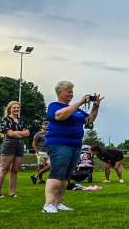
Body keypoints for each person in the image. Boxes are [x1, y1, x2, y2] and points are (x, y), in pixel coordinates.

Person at [42, 82, 103, 212]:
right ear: (59, 92)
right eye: (68, 92)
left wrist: (95, 107)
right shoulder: (54, 106)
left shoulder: (77, 110)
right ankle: (48, 204)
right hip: (59, 143)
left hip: (75, 145)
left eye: (72, 92)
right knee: (57, 173)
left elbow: (89, 120)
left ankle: (58, 203)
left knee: (65, 176)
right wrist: (80, 103)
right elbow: (60, 115)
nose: (71, 94)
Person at [0, 101, 30, 199]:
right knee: (3, 169)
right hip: (9, 144)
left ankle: (12, 193)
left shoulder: (21, 121)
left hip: (19, 145)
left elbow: (28, 133)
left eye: (18, 107)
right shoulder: (6, 119)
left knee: (15, 170)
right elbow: (10, 134)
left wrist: (16, 132)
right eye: (14, 107)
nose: (16, 109)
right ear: (10, 109)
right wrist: (21, 133)